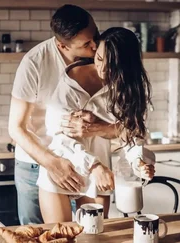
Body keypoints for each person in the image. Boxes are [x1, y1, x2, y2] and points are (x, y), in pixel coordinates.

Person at [8, 5, 120, 225]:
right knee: (40, 235)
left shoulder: (102, 58)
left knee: (90, 234)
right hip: (37, 162)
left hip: (86, 159)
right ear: (62, 45)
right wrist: (52, 163)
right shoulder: (34, 63)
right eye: (86, 44)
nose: (95, 45)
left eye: (95, 36)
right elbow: (16, 128)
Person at [37, 27, 156, 223]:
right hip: (64, 168)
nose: (102, 70)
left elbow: (131, 133)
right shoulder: (70, 83)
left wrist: (139, 161)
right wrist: (93, 166)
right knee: (61, 235)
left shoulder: (128, 87)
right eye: (99, 59)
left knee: (94, 236)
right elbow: (60, 138)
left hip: (100, 175)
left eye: (111, 67)